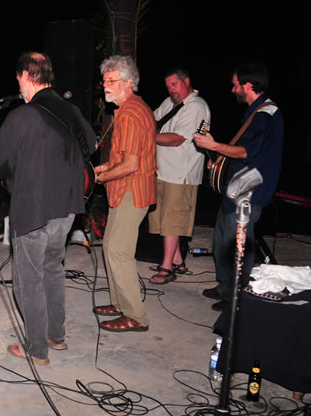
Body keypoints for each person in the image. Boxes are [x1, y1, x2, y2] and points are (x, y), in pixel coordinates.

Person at [0, 51, 96, 365]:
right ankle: (55, 336)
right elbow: (90, 145)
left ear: (24, 76)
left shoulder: (22, 115)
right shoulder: (71, 110)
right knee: (53, 269)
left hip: (34, 209)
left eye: (18, 80)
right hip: (68, 208)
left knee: (28, 279)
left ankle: (36, 349)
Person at [194, 61, 284, 311]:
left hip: (250, 192)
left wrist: (213, 146)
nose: (233, 90)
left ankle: (238, 298)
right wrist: (220, 162)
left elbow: (247, 152)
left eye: (235, 85)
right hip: (237, 189)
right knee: (223, 240)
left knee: (239, 246)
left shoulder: (265, 114)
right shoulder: (256, 112)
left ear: (248, 85)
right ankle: (226, 288)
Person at [92, 55, 157, 332]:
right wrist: (100, 169)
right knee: (110, 245)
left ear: (128, 82)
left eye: (112, 80)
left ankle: (136, 316)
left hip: (132, 190)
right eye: (104, 80)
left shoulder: (130, 113)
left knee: (119, 251)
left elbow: (131, 165)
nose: (106, 85)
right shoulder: (131, 108)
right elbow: (123, 156)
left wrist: (99, 177)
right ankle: (119, 303)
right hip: (125, 189)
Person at [147, 67, 211, 284]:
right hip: (163, 170)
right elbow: (151, 119)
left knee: (173, 220)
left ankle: (167, 268)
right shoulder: (168, 103)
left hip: (181, 174)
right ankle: (178, 261)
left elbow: (177, 139)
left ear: (187, 81)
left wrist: (147, 137)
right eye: (168, 86)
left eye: (174, 84)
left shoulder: (197, 107)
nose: (171, 89)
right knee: (163, 218)